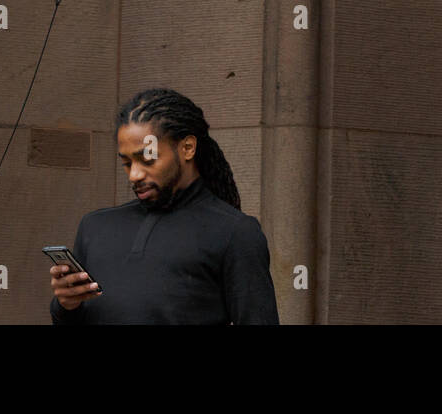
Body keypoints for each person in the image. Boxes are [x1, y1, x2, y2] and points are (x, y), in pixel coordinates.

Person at [49, 87, 279, 324]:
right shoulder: (95, 227)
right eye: (127, 163)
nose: (134, 175)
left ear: (187, 148)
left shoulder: (235, 232)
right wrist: (67, 305)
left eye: (147, 159)